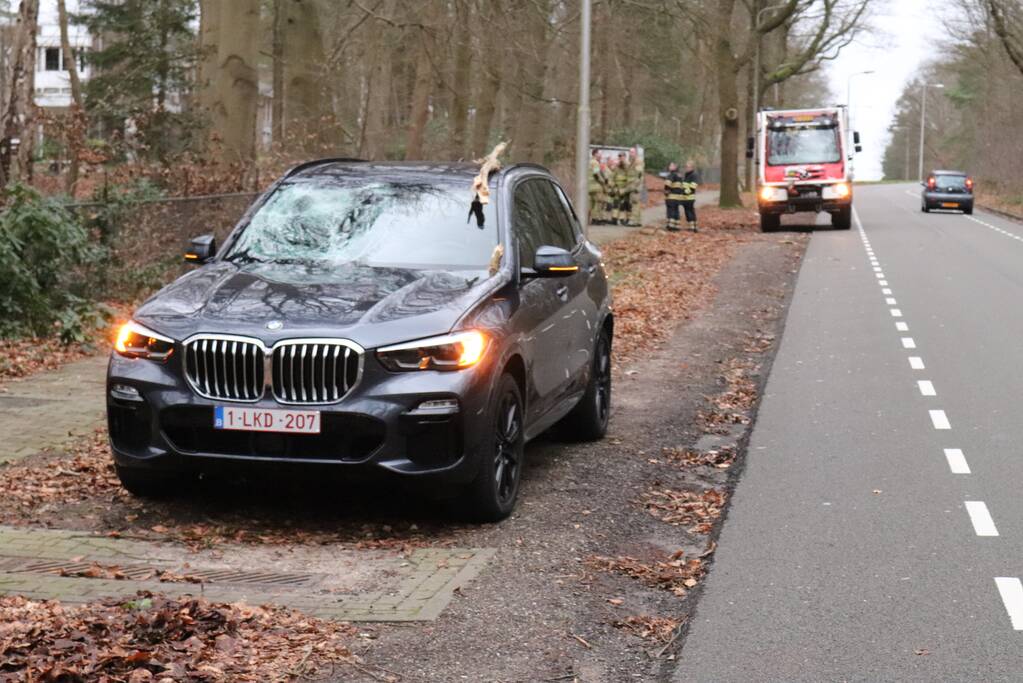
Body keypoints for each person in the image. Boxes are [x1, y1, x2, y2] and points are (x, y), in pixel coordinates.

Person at [611, 152, 632, 225]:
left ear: (625, 157)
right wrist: (613, 187)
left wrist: (627, 188)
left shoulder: (628, 165)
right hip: (617, 187)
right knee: (616, 203)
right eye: (619, 157)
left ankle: (623, 219)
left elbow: (630, 177)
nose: (620, 158)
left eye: (622, 156)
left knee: (624, 204)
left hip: (624, 187)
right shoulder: (617, 166)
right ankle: (614, 219)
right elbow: (613, 176)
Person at [663, 161, 684, 232]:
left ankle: (670, 226)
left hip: (671, 196)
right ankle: (676, 226)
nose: (669, 166)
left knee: (671, 211)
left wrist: (666, 192)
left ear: (675, 167)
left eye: (671, 165)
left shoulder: (671, 175)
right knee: (676, 211)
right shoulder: (680, 176)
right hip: (678, 197)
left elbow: (667, 184)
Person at [588, 149, 607, 224]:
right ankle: (596, 219)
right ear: (595, 154)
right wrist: (603, 181)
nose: (601, 156)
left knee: (591, 204)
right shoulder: (595, 163)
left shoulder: (589, 162)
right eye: (600, 154)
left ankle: (591, 219)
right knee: (598, 203)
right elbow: (596, 174)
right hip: (596, 186)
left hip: (589, 186)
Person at [627, 148, 645, 226]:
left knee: (634, 203)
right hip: (633, 186)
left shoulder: (637, 161)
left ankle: (633, 220)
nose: (631, 154)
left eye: (632, 152)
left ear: (635, 153)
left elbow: (639, 174)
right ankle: (638, 221)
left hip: (635, 186)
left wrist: (635, 185)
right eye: (630, 152)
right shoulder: (632, 162)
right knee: (636, 203)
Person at [681, 160, 700, 232]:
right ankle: (690, 226)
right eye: (686, 166)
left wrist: (685, 192)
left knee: (690, 212)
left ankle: (693, 227)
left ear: (692, 167)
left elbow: (693, 187)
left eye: (688, 166)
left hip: (689, 197)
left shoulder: (694, 175)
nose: (686, 168)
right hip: (685, 198)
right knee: (687, 212)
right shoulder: (687, 174)